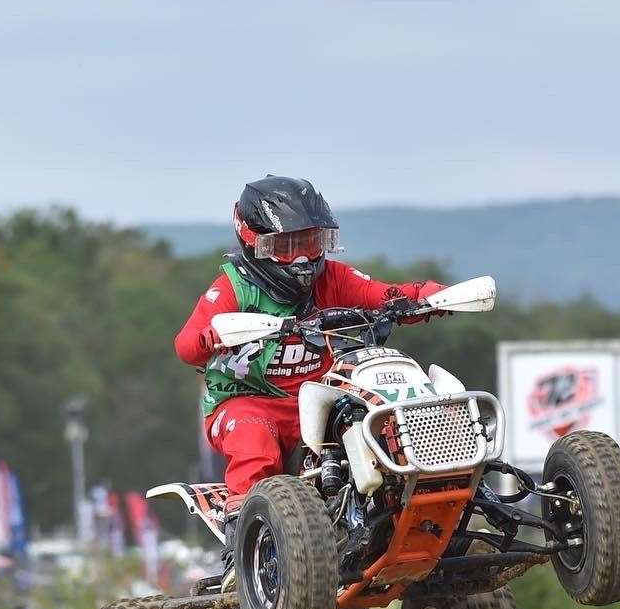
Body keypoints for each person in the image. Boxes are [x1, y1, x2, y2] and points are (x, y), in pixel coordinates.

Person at [174, 175, 442, 512]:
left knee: (382, 417)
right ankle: (244, 525)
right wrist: (210, 336)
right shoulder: (233, 289)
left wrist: (424, 297)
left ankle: (417, 495)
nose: (303, 259)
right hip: (247, 402)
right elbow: (185, 346)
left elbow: (381, 294)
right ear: (255, 243)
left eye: (312, 244)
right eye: (288, 247)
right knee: (254, 440)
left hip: (321, 398)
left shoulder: (333, 277)